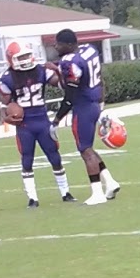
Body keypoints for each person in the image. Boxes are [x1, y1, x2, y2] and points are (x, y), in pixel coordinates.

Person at [0, 43, 74, 207]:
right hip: (25, 125)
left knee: (55, 157)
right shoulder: (7, 77)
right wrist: (7, 110)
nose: (25, 60)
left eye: (26, 55)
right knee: (27, 160)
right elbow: (5, 103)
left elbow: (59, 84)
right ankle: (32, 198)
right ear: (12, 59)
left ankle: (65, 192)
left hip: (42, 120)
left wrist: (59, 71)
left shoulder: (40, 70)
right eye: (21, 57)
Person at [52, 29, 121, 205]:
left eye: (58, 43)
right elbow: (99, 78)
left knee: (85, 150)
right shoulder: (88, 49)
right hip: (94, 103)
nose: (55, 46)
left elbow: (70, 95)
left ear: (68, 45)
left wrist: (57, 118)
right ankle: (110, 182)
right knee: (89, 148)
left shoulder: (70, 62)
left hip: (82, 107)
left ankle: (97, 193)